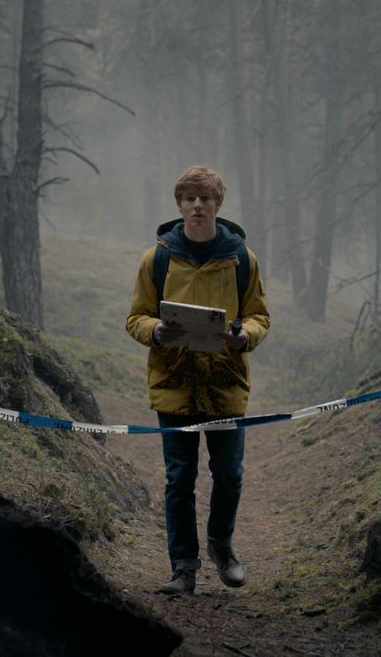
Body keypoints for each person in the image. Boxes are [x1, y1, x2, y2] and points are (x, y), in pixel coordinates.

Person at [126, 166, 270, 595]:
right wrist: (154, 331)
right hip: (174, 383)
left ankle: (221, 548)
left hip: (225, 384)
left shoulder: (242, 258)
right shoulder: (158, 259)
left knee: (229, 473)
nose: (197, 205)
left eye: (205, 198)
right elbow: (136, 317)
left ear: (217, 205)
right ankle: (182, 567)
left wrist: (246, 336)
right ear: (179, 205)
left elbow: (260, 316)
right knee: (179, 478)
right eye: (189, 198)